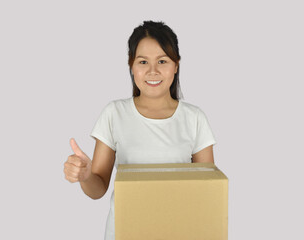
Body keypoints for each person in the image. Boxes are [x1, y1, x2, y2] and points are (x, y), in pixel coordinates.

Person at [63, 20, 217, 240]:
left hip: (178, 232)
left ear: (176, 65)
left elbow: (208, 191)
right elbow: (97, 190)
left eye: (162, 61)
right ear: (131, 65)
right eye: (143, 62)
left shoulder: (194, 118)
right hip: (125, 233)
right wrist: (86, 176)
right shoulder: (114, 113)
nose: (153, 71)